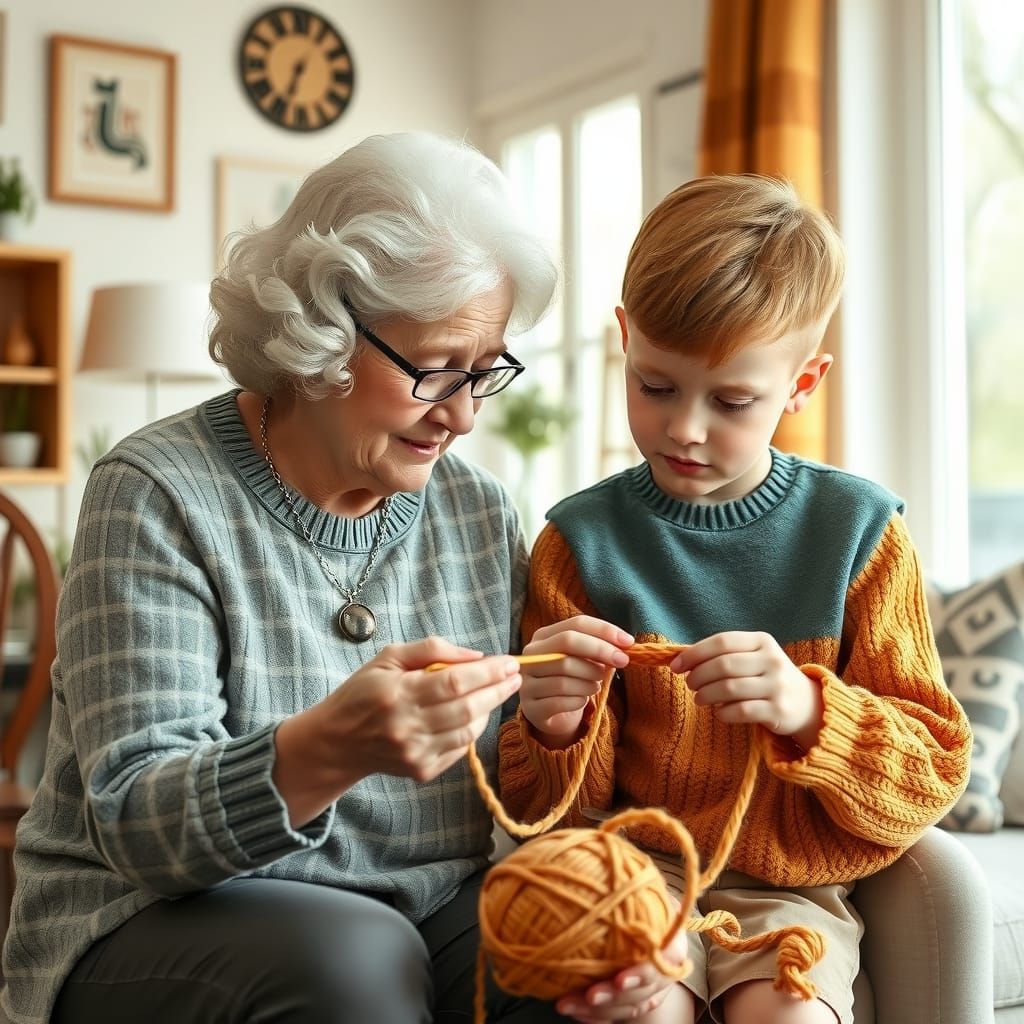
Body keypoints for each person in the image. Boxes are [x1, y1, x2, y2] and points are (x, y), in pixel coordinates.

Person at [0, 131, 586, 1024]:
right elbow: (135, 828)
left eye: (486, 371)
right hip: (152, 915)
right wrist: (326, 749)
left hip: (422, 909)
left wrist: (549, 726)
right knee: (354, 960)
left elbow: (508, 800)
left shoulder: (479, 512)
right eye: (436, 370)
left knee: (571, 946)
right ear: (323, 329)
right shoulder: (156, 494)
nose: (465, 415)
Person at [497, 174, 973, 1024]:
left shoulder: (858, 534)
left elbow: (933, 770)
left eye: (732, 401)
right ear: (623, 341)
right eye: (655, 385)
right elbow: (539, 811)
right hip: (634, 881)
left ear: (803, 383)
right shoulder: (578, 543)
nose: (685, 427)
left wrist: (806, 711)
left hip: (792, 892)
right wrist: (555, 725)